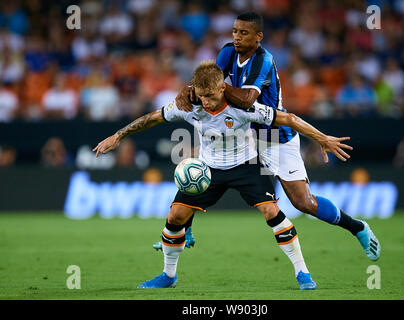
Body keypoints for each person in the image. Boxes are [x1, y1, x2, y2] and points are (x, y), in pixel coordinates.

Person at [93, 61, 368, 290]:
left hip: (247, 164)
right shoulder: (189, 105)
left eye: (211, 95)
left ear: (222, 87)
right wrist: (118, 136)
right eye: (202, 96)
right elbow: (152, 118)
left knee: (272, 211)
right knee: (175, 216)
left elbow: (289, 119)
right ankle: (168, 276)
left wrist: (322, 139)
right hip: (208, 169)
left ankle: (302, 272)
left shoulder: (243, 107)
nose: (207, 102)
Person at [162, 12, 381, 262]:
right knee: (203, 163)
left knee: (303, 202)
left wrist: (321, 138)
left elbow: (245, 100)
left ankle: (357, 228)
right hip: (245, 134)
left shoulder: (263, 60)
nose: (236, 37)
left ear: (258, 37)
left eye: (243, 33)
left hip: (275, 135)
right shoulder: (226, 53)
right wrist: (190, 88)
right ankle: (183, 227)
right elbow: (207, 81)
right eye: (234, 31)